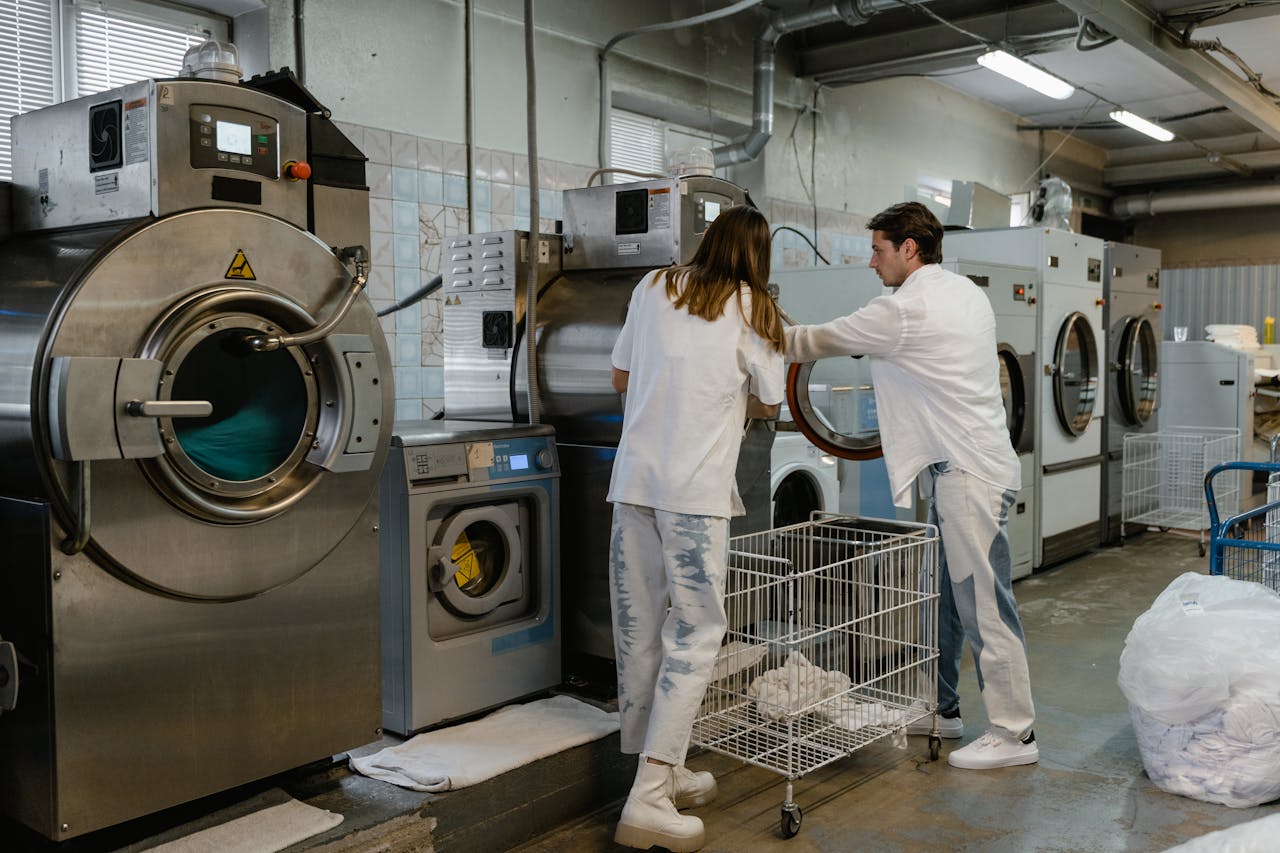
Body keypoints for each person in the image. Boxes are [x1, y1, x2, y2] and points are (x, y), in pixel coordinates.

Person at [784, 201, 1038, 771]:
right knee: (951, 597)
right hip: (975, 465)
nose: (872, 263)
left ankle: (1016, 732)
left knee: (984, 605)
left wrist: (752, 328)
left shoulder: (905, 309)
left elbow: (813, 342)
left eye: (878, 250)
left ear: (910, 249)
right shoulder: (965, 292)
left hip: (968, 474)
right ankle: (943, 710)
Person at [607, 204, 785, 851]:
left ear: (708, 241)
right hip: (693, 493)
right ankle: (650, 797)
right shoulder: (755, 308)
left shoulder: (653, 285)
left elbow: (621, 376)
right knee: (697, 631)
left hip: (634, 485)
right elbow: (770, 398)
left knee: (642, 629)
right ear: (758, 257)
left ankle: (661, 768)